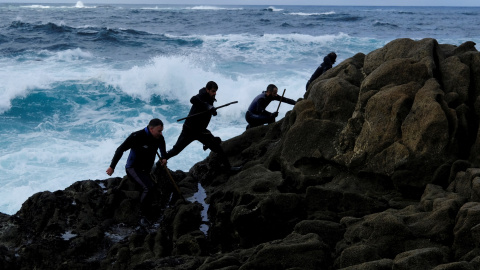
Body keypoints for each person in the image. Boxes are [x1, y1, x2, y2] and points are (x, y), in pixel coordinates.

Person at [165, 81, 240, 172]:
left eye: (216, 91)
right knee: (176, 150)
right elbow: (192, 99)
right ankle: (161, 161)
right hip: (189, 130)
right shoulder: (201, 95)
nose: (215, 93)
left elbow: (206, 110)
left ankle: (228, 168)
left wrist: (212, 111)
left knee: (218, 148)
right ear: (207, 90)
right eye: (213, 91)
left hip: (201, 131)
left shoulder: (210, 97)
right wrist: (207, 106)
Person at [106, 118, 167, 218]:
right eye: (159, 131)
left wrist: (164, 157)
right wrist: (112, 167)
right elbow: (120, 149)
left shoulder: (159, 137)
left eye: (161, 131)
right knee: (148, 188)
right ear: (151, 129)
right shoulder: (137, 136)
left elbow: (162, 145)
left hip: (147, 169)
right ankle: (143, 215)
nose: (161, 134)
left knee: (156, 186)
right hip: (133, 168)